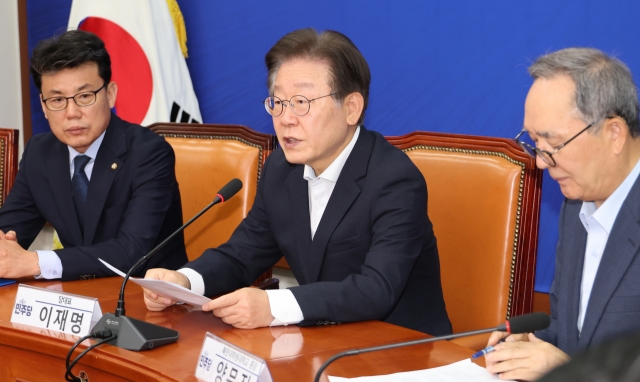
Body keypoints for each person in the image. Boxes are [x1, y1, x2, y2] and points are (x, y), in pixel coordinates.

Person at [143, 28, 452, 335]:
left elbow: (377, 288)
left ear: (351, 108)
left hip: (403, 352)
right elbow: (242, 254)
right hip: (324, 342)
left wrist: (272, 306)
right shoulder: (282, 169)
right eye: (278, 102)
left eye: (302, 102)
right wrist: (183, 281)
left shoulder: (394, 179)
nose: (286, 118)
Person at [485, 48, 640, 380]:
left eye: (552, 144)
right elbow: (575, 334)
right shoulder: (576, 205)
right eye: (533, 142)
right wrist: (534, 343)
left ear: (613, 133)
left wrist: (568, 370)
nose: (541, 162)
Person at [0, 30, 187, 281]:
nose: (72, 113)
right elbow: (9, 232)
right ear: (44, 106)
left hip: (148, 298)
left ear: (110, 94)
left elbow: (131, 251)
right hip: (76, 298)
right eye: (57, 100)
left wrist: (35, 262)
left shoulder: (149, 153)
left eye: (85, 96)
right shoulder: (40, 153)